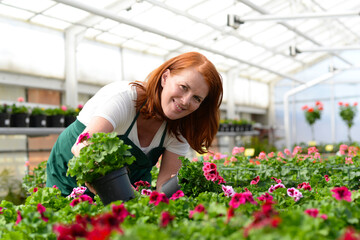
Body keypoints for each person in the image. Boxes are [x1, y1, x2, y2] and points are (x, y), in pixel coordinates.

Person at [46, 51, 223, 197]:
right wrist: (105, 179)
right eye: (183, 87)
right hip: (72, 168)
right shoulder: (126, 98)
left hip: (127, 180)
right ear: (165, 78)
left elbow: (164, 184)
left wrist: (174, 205)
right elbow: (84, 143)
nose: (185, 101)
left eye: (196, 98)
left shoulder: (181, 128)